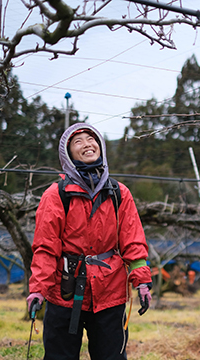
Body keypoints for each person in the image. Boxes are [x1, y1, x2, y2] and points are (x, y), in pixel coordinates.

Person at [26, 123, 152, 360]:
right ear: (67, 153)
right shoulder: (56, 194)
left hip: (109, 293)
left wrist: (142, 281)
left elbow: (133, 240)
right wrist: (38, 290)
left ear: (101, 146)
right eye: (78, 141)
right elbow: (45, 247)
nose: (87, 144)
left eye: (91, 138)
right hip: (64, 291)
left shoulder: (119, 192)